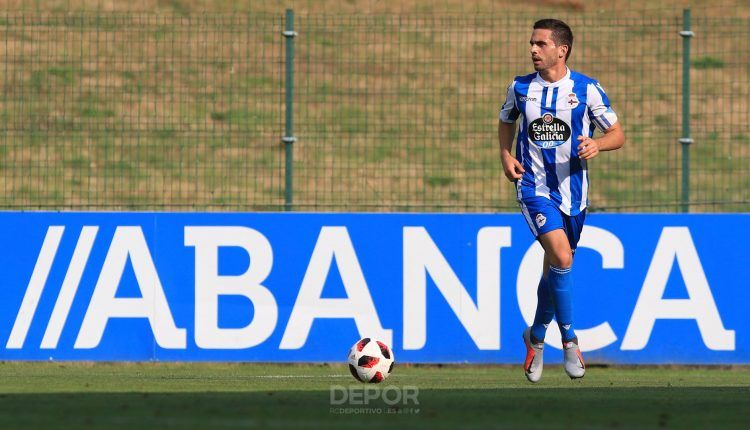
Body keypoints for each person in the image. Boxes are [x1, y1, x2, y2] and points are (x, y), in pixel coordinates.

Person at [498, 18, 625, 382]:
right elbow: (507, 120)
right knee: (563, 256)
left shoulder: (586, 89)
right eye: (531, 43)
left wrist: (598, 144)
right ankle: (569, 339)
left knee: (555, 268)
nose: (533, 50)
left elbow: (617, 132)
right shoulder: (521, 88)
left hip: (574, 195)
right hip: (533, 188)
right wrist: (505, 156)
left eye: (540, 44)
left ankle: (536, 336)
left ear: (561, 49)